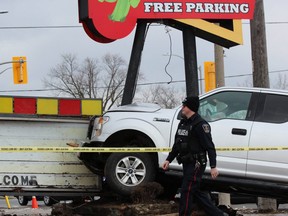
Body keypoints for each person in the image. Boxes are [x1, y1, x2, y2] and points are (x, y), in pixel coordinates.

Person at [162, 96, 227, 216]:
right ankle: (218, 214)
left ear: (190, 108)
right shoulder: (183, 123)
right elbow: (177, 144)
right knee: (194, 190)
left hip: (197, 163)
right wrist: (168, 159)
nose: (182, 108)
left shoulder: (201, 125)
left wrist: (213, 166)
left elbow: (210, 147)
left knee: (186, 190)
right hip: (186, 162)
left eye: (184, 106)